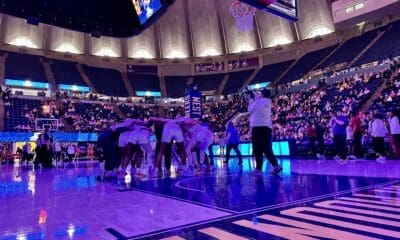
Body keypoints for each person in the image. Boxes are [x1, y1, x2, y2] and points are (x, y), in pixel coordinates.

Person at [247, 88, 282, 175]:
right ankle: (275, 165)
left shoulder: (258, 102)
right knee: (266, 148)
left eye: (260, 94)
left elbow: (250, 110)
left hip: (257, 128)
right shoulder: (268, 102)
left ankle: (259, 169)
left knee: (257, 149)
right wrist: (254, 94)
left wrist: (251, 99)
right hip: (267, 128)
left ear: (262, 95)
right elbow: (258, 101)